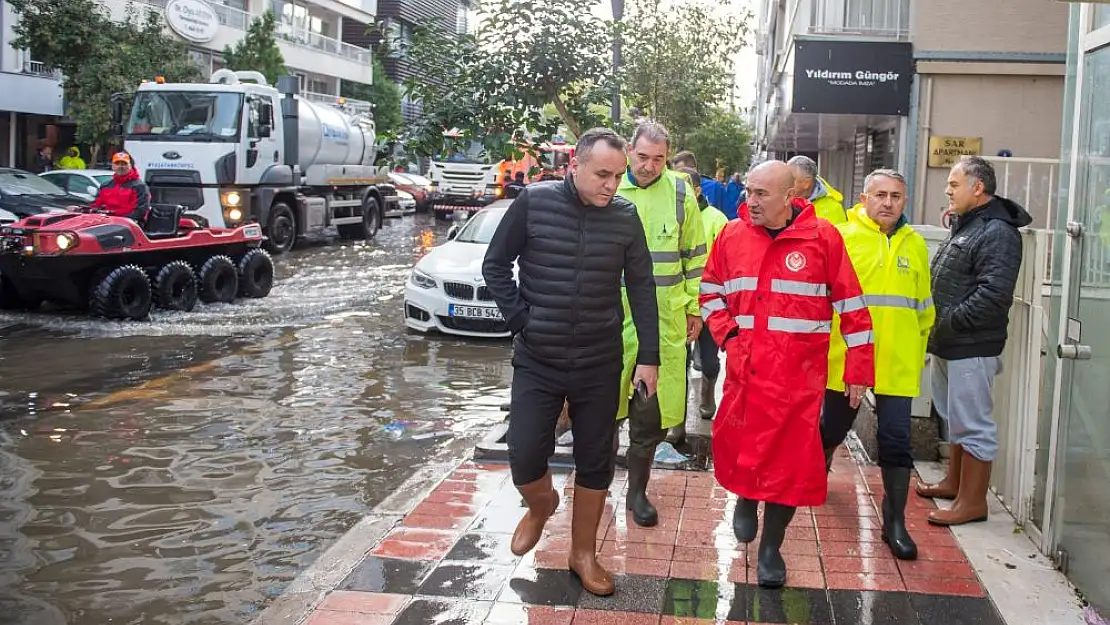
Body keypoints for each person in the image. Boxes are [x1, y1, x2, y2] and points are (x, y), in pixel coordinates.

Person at [482, 127, 661, 597]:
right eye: (602, 174)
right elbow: (495, 265)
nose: (612, 185)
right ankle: (540, 505)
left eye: (618, 176)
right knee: (524, 454)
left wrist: (649, 357)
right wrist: (521, 320)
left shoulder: (625, 217)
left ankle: (583, 553)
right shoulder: (534, 203)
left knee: (596, 459)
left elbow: (642, 287)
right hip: (538, 357)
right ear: (574, 166)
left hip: (600, 360)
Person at [699, 160, 874, 588]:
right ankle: (744, 496)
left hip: (798, 379)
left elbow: (852, 306)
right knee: (741, 446)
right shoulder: (732, 235)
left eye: (761, 194)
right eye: (749, 192)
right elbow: (710, 292)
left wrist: (858, 368)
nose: (750, 201)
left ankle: (771, 548)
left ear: (789, 197)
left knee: (789, 467)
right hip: (746, 371)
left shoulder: (822, 238)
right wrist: (730, 338)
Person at [821, 168, 935, 561]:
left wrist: (918, 348)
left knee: (897, 441)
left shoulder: (915, 244)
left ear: (905, 201)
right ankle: (820, 465)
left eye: (896, 196)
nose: (888, 203)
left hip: (898, 363)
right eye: (881, 195)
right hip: (849, 358)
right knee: (832, 425)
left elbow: (924, 307)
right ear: (864, 197)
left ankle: (895, 521)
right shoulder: (843, 238)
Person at [916, 155, 1032, 526]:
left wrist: (947, 323)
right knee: (956, 418)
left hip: (971, 345)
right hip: (951, 342)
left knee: (974, 424)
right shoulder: (969, 225)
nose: (947, 190)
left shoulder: (997, 231)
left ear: (977, 188)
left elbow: (993, 295)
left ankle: (973, 502)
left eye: (953, 184)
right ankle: (954, 483)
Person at [615, 122, 706, 528]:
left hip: (664, 322)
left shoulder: (681, 192)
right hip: (611, 320)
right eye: (643, 157)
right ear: (629, 150)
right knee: (600, 411)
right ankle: (593, 484)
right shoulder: (610, 185)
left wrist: (695, 308)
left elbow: (695, 256)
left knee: (647, 415)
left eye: (659, 159)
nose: (650, 166)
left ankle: (637, 492)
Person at [670, 165, 728, 444]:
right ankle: (676, 420)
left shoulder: (717, 220)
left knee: (708, 359)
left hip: (708, 302)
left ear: (696, 190)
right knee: (676, 362)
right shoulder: (668, 215)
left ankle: (707, 394)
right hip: (674, 302)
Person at [90, 152, 151, 222]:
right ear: (113, 166)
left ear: (130, 166)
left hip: (128, 224)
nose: (120, 166)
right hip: (105, 223)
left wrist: (118, 219)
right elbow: (96, 205)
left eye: (124, 164)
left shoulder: (140, 186)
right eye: (117, 164)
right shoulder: (105, 185)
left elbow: (140, 212)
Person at [787, 155, 846, 224]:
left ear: (806, 183)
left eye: (790, 180)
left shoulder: (833, 210)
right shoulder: (781, 200)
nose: (784, 184)